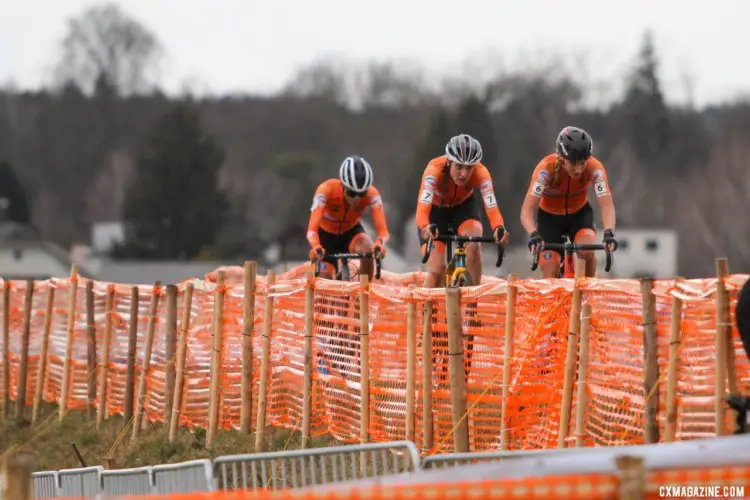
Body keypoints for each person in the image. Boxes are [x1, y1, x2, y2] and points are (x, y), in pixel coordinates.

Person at [520, 126, 618, 278]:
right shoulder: (545, 170)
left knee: (587, 249)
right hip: (549, 219)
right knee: (549, 270)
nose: (578, 169)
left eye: (582, 163)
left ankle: (588, 295)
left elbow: (607, 205)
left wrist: (609, 233)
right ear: (561, 157)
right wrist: (533, 234)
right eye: (573, 163)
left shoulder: (595, 168)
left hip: (579, 215)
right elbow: (527, 211)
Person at [416, 133, 510, 289]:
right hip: (435, 213)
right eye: (459, 166)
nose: (464, 174)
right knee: (437, 270)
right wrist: (425, 226)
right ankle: (425, 311)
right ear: (449, 162)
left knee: (473, 244)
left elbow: (492, 207)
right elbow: (422, 210)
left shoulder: (481, 173)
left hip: (463, 208)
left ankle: (473, 302)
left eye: (469, 168)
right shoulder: (434, 170)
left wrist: (499, 227)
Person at [307, 155, 390, 281]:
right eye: (352, 192)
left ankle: (361, 297)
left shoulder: (373, 194)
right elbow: (312, 229)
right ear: (342, 184)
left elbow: (383, 231)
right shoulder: (326, 190)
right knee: (324, 281)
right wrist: (315, 246)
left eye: (362, 194)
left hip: (351, 231)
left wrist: (380, 244)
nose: (357, 199)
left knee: (368, 249)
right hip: (325, 235)